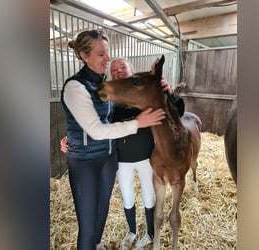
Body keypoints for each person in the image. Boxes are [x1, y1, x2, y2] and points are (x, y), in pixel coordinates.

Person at [61, 56, 184, 249]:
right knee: (127, 196)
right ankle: (132, 231)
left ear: (130, 69)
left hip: (146, 155)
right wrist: (72, 137)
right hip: (122, 157)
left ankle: (150, 233)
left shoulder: (144, 90)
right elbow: (96, 122)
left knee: (148, 195)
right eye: (114, 68)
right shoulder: (113, 99)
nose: (118, 70)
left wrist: (169, 93)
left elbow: (178, 110)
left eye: (122, 67)